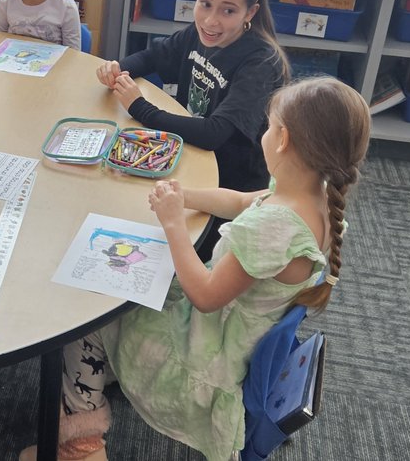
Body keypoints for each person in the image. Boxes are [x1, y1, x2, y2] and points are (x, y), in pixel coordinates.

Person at [23, 77, 370, 461]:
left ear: (283, 139)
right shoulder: (312, 197)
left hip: (202, 356)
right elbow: (241, 201)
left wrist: (174, 224)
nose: (266, 133)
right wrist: (183, 195)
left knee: (87, 320)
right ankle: (109, 375)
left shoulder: (274, 230)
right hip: (231, 333)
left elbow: (204, 296)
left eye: (270, 126)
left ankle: (81, 446)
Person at [96, 0, 289, 195]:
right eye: (205, 4)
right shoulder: (198, 34)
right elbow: (151, 57)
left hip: (230, 185)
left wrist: (139, 107)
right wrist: (117, 69)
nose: (210, 21)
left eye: (228, 11)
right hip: (187, 152)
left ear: (250, 13)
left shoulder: (261, 63)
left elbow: (214, 134)